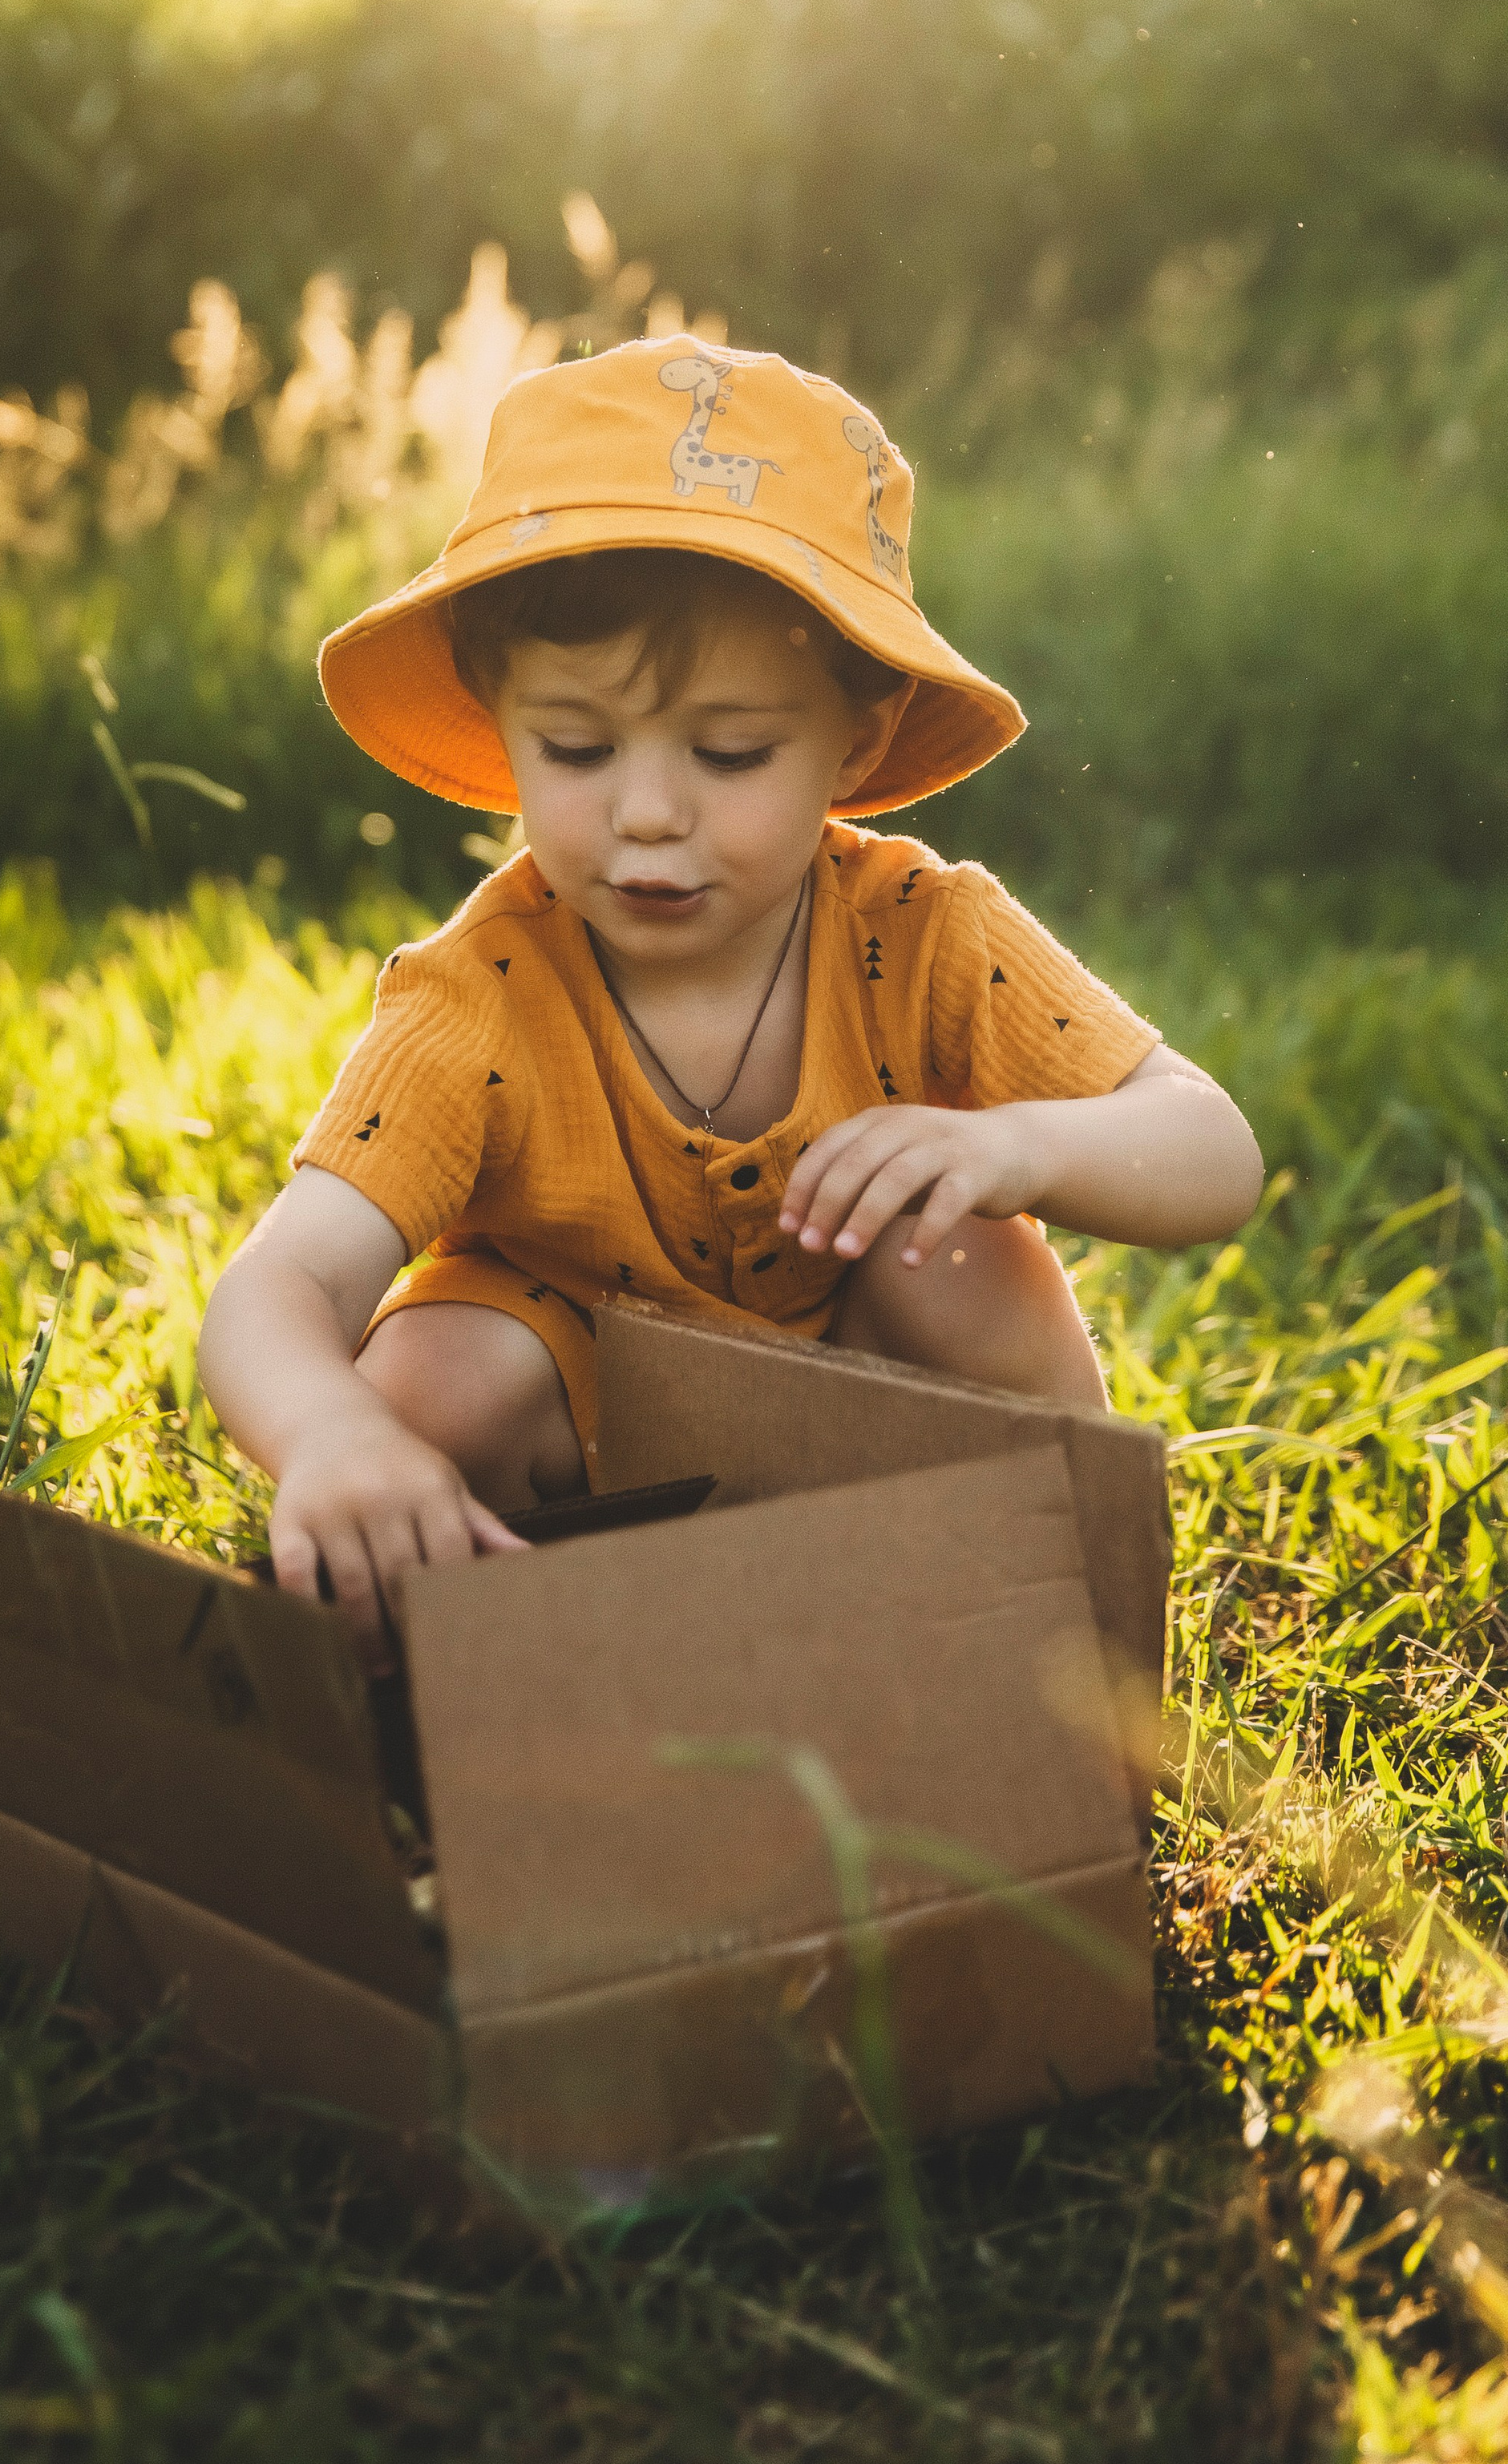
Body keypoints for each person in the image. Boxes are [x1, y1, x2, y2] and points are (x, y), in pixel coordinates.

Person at [198, 337, 1262, 1662]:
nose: (649, 813)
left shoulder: (925, 933)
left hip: (885, 1476)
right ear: (500, 717)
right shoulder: (478, 1001)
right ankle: (480, 1689)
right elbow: (281, 1281)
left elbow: (1214, 1153)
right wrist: (333, 1433)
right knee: (432, 1378)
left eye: (731, 752)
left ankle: (1058, 1647)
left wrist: (1017, 1149)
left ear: (856, 741)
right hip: (590, 1497)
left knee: (950, 1249)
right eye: (576, 748)